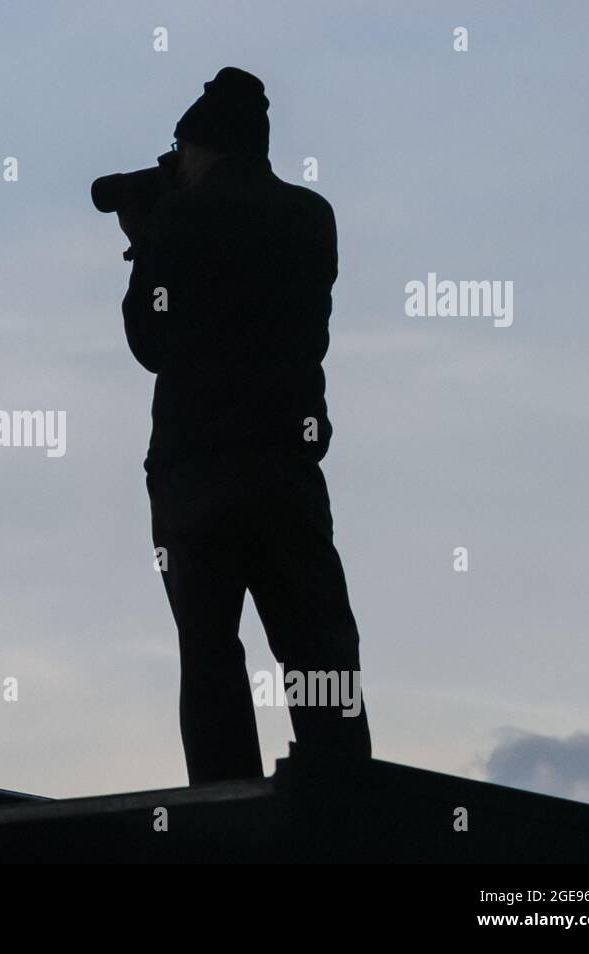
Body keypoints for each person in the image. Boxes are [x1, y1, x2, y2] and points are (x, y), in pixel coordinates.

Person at [120, 67, 372, 783]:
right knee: (319, 647)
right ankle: (344, 798)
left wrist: (147, 241)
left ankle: (226, 811)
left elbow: (150, 340)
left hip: (196, 471)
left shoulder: (178, 219)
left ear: (201, 149)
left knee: (209, 654)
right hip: (285, 468)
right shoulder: (309, 216)